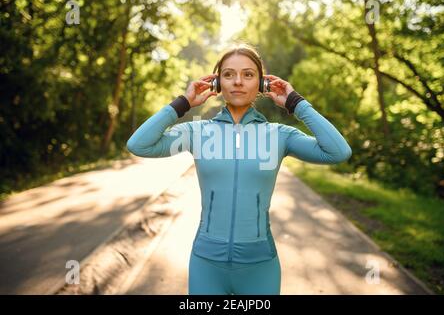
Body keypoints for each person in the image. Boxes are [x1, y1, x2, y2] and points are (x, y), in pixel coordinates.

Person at [126, 43, 352, 295]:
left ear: (262, 84)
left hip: (260, 267)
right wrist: (184, 103)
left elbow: (338, 151)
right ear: (216, 83)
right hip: (206, 263)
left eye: (248, 74)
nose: (238, 82)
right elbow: (138, 145)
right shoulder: (197, 131)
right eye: (228, 74)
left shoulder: (278, 135)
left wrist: (295, 103)